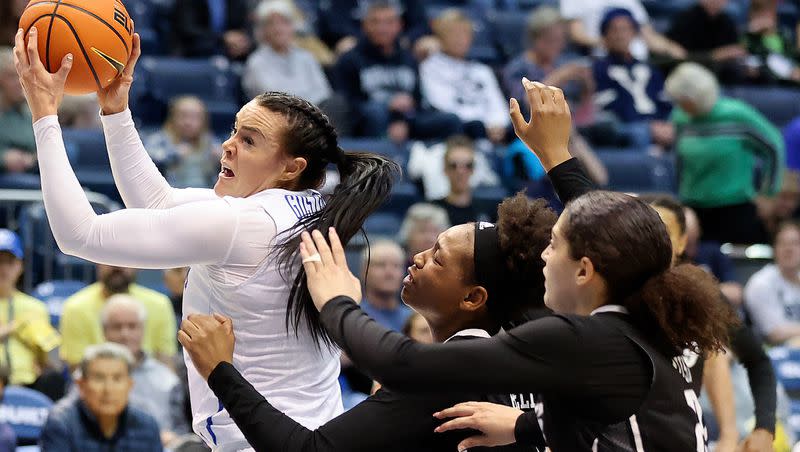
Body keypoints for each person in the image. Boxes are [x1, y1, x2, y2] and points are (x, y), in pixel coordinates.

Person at [294, 80, 738, 451]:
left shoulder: (590, 338)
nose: (544, 254)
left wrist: (336, 303)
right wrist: (556, 156)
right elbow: (604, 427)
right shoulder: (643, 318)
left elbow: (405, 367)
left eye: (556, 247)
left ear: (585, 270)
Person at [14, 26, 399, 452]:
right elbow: (158, 201)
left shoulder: (243, 222)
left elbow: (79, 235)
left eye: (248, 141)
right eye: (233, 131)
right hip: (307, 433)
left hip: (260, 441)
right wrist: (116, 111)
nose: (226, 147)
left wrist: (45, 117)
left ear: (291, 167)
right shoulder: (308, 208)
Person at [177, 192, 558, 451]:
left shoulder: (445, 377)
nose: (419, 257)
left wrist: (221, 371)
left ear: (472, 298)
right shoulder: (523, 359)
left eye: (438, 258)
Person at [644, 195, 776, 452]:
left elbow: (756, 360)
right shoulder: (614, 292)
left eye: (665, 233)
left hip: (686, 439)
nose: (655, 243)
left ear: (682, 242)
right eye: (646, 233)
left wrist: (762, 428)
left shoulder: (701, 298)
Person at [666, 62, 784, 245]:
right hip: (694, 208)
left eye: (684, 100)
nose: (682, 105)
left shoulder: (736, 114)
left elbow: (774, 145)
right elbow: (679, 159)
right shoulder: (680, 117)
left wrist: (769, 193)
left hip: (734, 208)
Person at [332, 0, 462, 142]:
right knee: (375, 112)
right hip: (368, 121)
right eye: (375, 22)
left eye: (389, 22)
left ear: (400, 25)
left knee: (451, 121)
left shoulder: (409, 58)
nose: (382, 28)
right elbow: (347, 103)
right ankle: (378, 161)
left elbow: (418, 99)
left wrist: (402, 118)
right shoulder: (350, 59)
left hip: (407, 119)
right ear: (364, 25)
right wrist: (388, 105)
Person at [242, 1, 350, 134]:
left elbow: (323, 91)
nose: (279, 28)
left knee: (337, 102)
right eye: (272, 23)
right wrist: (306, 107)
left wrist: (310, 110)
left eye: (284, 22)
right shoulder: (256, 61)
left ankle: (333, 150)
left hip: (313, 113)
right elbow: (273, 98)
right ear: (262, 30)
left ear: (293, 27)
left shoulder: (306, 57)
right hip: (280, 118)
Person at [39, 343, 163, 451]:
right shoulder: (61, 424)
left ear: (129, 385)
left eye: (117, 378)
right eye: (99, 378)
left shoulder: (147, 426)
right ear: (81, 385)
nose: (108, 389)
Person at [101, 295, 189, 445]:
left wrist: (172, 440)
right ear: (104, 331)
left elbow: (181, 436)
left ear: (142, 329)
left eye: (132, 326)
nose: (125, 334)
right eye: (117, 327)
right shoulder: (85, 379)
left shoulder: (168, 380)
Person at [59, 264, 177, 371]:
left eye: (124, 259)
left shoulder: (160, 304)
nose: (117, 266)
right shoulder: (75, 307)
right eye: (109, 259)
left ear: (137, 264)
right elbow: (78, 370)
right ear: (96, 262)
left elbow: (166, 364)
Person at [419, 9, 510, 143]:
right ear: (440, 37)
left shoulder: (482, 70)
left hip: (489, 129)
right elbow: (441, 104)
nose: (460, 39)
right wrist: (484, 123)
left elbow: (498, 106)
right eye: (454, 34)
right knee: (468, 125)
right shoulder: (430, 66)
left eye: (464, 34)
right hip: (456, 129)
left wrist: (498, 124)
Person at [592, 8, 674, 151]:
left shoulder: (650, 68)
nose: (620, 35)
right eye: (614, 30)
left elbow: (665, 102)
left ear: (634, 33)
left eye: (625, 29)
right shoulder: (598, 69)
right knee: (637, 134)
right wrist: (649, 127)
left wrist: (665, 125)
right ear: (605, 35)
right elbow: (609, 106)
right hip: (627, 127)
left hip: (658, 126)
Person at [0, 229, 64, 401]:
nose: (3, 268)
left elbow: (54, 359)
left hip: (27, 384)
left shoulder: (35, 307)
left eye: (9, 262)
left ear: (19, 266)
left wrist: (50, 347)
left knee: (54, 379)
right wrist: (12, 328)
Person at [502, 6, 593, 117]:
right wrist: (560, 76)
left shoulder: (563, 62)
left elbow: (584, 109)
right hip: (535, 126)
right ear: (535, 38)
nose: (559, 45)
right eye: (551, 39)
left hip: (572, 122)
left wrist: (587, 85)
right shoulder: (517, 68)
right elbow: (526, 104)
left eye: (561, 39)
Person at [560, 0, 686, 61]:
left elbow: (648, 36)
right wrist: (613, 41)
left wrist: (670, 47)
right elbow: (577, 34)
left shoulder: (629, 1)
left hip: (639, 61)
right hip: (604, 60)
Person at [144, 96, 222, 188]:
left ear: (204, 121)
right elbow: (146, 162)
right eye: (183, 116)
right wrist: (173, 154)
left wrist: (222, 159)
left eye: (194, 117)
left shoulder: (210, 142)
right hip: (171, 194)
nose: (188, 122)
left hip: (206, 195)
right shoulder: (158, 140)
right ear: (172, 118)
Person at [745, 221, 800, 345]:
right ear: (774, 249)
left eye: (795, 243)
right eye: (783, 244)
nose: (789, 249)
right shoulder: (761, 283)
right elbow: (774, 334)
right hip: (774, 354)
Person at [666, 0, 745, 82]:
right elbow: (679, 57)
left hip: (720, 76)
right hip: (688, 77)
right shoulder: (685, 19)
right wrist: (713, 55)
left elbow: (735, 53)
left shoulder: (728, 22)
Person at [683, 207, 745, 307]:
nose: (687, 245)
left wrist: (703, 286)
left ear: (698, 230)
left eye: (691, 240)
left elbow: (736, 294)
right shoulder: (671, 256)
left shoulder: (712, 252)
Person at [432, 136, 498, 225]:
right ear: (445, 169)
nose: (461, 171)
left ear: (473, 169)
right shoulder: (433, 209)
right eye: (453, 165)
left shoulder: (488, 210)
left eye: (468, 165)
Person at [358, 239, 412, 332]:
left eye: (396, 266)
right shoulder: (354, 316)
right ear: (364, 272)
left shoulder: (414, 319)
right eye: (381, 265)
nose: (389, 273)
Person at [172, 0, 252, 61]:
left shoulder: (236, 2)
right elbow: (187, 30)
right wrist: (223, 38)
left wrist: (242, 43)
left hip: (231, 55)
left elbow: (245, 28)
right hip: (193, 54)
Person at [0, 47, 35, 174]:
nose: (19, 83)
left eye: (21, 76)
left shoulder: (28, 112)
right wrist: (3, 159)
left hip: (30, 174)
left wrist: (30, 159)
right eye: (12, 77)